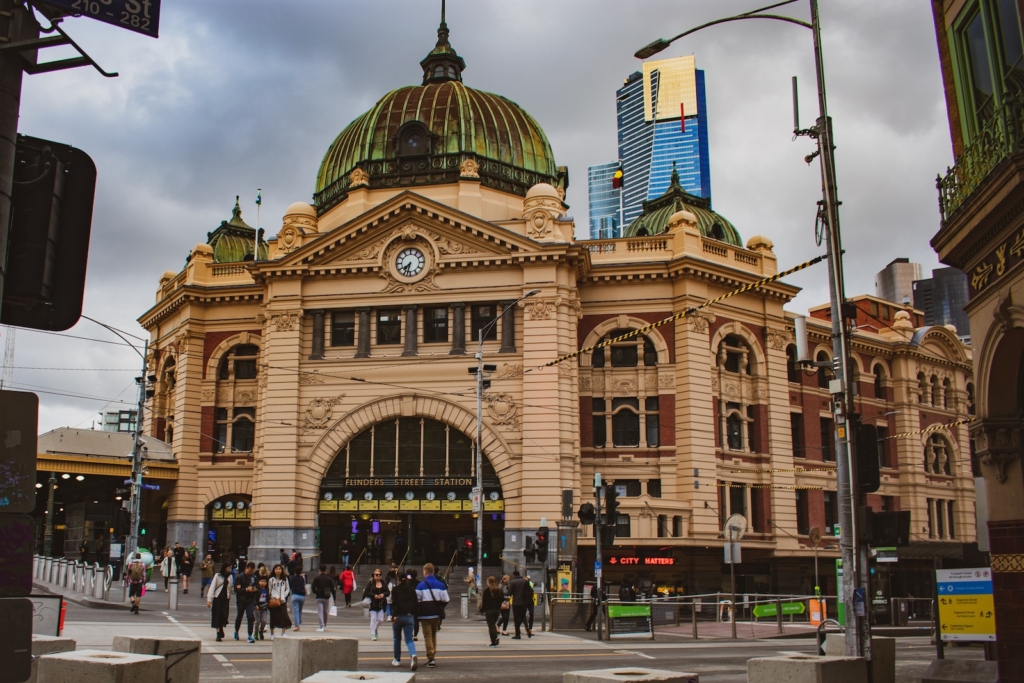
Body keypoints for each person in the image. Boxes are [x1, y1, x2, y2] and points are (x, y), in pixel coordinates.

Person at [414, 563, 449, 668]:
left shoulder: (420, 586)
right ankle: (433, 654)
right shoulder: (440, 585)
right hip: (436, 614)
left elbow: (416, 600)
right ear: (433, 571)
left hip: (425, 615)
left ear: (425, 572)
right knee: (433, 634)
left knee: (427, 636)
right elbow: (446, 599)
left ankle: (431, 657)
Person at [390, 570, 419, 671]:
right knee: (409, 639)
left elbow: (395, 603)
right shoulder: (411, 589)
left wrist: (394, 615)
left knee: (397, 638)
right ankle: (413, 654)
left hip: (398, 616)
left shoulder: (395, 589)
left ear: (398, 579)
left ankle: (397, 660)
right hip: (409, 616)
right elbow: (415, 603)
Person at [206, 562, 233, 641]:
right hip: (218, 598)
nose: (230, 569)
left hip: (225, 598)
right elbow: (212, 587)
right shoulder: (217, 576)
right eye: (229, 567)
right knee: (217, 616)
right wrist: (209, 600)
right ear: (225, 567)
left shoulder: (230, 576)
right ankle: (218, 633)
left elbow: (230, 588)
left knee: (224, 615)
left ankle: (221, 628)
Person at [234, 561, 258, 643]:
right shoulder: (239, 577)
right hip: (241, 599)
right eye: (249, 571)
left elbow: (256, 587)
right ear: (246, 569)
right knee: (239, 616)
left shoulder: (253, 577)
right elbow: (236, 589)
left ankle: (250, 635)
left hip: (250, 600)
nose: (250, 573)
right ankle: (236, 631)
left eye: (252, 571)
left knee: (250, 617)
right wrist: (245, 590)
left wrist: (254, 590)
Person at [363, 567, 390, 641]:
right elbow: (366, 592)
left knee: (380, 619)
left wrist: (383, 594)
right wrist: (374, 595)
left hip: (381, 604)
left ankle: (375, 629)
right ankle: (373, 634)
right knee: (373, 618)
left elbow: (388, 592)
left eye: (379, 574)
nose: (378, 576)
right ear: (374, 575)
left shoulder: (383, 583)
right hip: (373, 603)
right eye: (376, 574)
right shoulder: (371, 583)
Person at [268, 563, 292, 638]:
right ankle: (272, 633)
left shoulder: (285, 579)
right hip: (274, 601)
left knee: (284, 616)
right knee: (273, 617)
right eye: (276, 569)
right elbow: (269, 590)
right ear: (274, 570)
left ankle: (283, 632)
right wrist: (272, 597)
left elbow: (288, 589)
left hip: (282, 601)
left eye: (279, 569)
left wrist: (284, 596)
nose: (278, 570)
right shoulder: (271, 580)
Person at [311, 564, 335, 632]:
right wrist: (334, 597)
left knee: (320, 611)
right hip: (326, 596)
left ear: (319, 570)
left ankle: (321, 626)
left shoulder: (316, 578)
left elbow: (313, 587)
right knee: (325, 611)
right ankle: (324, 624)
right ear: (325, 570)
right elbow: (332, 588)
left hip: (319, 596)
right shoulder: (328, 578)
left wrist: (316, 592)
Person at [481, 575, 504, 647]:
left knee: (491, 626)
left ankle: (493, 641)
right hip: (497, 610)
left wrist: (482, 610)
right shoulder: (499, 590)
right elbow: (502, 599)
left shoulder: (486, 591)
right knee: (493, 624)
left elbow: (484, 602)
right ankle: (495, 637)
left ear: (489, 582)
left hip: (489, 610)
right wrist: (498, 605)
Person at [508, 571, 530, 639]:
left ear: (514, 575)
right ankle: (526, 627)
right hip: (524, 602)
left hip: (516, 603)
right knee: (523, 616)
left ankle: (517, 634)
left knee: (516, 618)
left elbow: (509, 592)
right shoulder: (525, 581)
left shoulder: (513, 582)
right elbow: (528, 591)